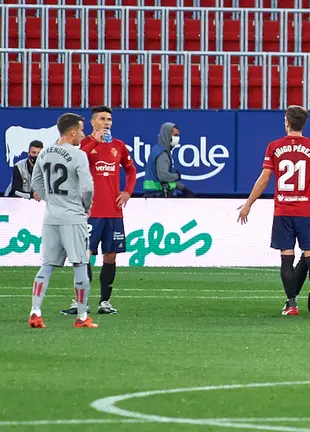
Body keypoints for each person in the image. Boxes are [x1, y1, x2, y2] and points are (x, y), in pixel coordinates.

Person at [237, 105, 310, 316]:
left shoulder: (274, 147)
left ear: (287, 123)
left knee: (286, 258)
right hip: (306, 212)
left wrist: (249, 203)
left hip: (284, 211)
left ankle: (291, 304)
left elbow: (264, 179)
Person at [60, 106, 136, 316]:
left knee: (110, 256)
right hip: (89, 213)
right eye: (102, 119)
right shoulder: (83, 145)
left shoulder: (119, 146)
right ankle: (79, 302)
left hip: (113, 212)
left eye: (109, 119)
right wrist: (96, 142)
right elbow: (75, 161)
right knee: (84, 256)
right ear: (93, 123)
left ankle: (104, 302)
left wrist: (128, 192)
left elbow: (131, 170)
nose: (107, 122)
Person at [28, 113, 98, 329]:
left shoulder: (45, 152)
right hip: (73, 217)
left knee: (46, 266)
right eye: (82, 130)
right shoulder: (78, 156)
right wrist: (85, 207)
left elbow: (36, 182)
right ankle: (82, 315)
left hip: (51, 217)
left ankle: (35, 311)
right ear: (73, 132)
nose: (84, 135)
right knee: (80, 264)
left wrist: (51, 200)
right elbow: (87, 188)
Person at [143, 122, 193, 198]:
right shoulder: (162, 154)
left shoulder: (159, 150)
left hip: (156, 195)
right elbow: (163, 176)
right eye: (175, 135)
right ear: (167, 135)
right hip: (158, 196)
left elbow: (168, 181)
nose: (177, 138)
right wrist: (177, 176)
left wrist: (182, 188)